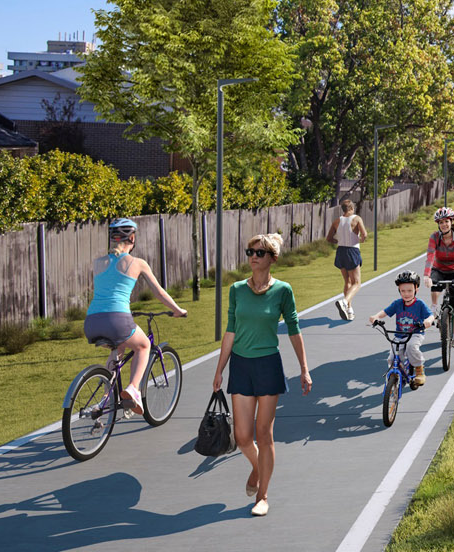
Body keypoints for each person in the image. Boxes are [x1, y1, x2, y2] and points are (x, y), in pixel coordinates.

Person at [212, 233, 312, 518]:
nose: (253, 256)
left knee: (264, 435)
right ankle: (258, 468)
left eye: (259, 252)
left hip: (268, 365)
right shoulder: (236, 290)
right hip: (241, 366)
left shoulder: (283, 290)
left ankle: (263, 495)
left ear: (272, 259)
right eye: (250, 251)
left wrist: (304, 369)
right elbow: (230, 330)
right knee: (242, 436)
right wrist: (219, 369)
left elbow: (294, 329)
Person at [84, 218, 188, 416]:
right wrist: (177, 309)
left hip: (92, 321)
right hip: (117, 320)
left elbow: (108, 291)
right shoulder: (137, 263)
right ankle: (133, 389)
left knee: (118, 348)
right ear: (132, 238)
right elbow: (159, 292)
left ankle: (106, 397)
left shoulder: (98, 263)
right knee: (143, 346)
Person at [368, 271, 437, 386]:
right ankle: (398, 374)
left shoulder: (419, 304)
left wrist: (428, 322)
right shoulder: (398, 303)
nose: (406, 294)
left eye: (410, 290)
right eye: (403, 291)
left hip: (415, 333)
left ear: (416, 290)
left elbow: (430, 316)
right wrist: (376, 317)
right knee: (392, 358)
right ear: (399, 291)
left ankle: (419, 370)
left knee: (411, 347)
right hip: (399, 334)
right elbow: (385, 312)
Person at [424, 207, 454, 349]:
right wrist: (426, 276)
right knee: (434, 284)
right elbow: (430, 257)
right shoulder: (434, 237)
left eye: (446, 221)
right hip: (439, 269)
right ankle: (434, 308)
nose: (443, 225)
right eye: (440, 222)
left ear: (451, 222)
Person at [327, 200, 368, 321]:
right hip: (352, 251)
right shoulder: (357, 219)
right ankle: (344, 302)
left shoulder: (336, 221)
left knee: (347, 281)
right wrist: (361, 240)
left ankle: (349, 310)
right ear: (351, 208)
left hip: (340, 251)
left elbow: (329, 238)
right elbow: (364, 234)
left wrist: (338, 241)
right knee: (357, 283)